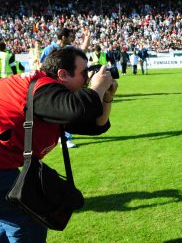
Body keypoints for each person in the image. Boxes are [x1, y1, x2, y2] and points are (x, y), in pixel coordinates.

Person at [0, 47, 117, 242]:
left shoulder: (50, 95)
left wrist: (106, 96)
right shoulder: (42, 90)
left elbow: (96, 125)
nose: (88, 78)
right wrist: (97, 86)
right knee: (29, 219)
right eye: (83, 73)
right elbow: (78, 109)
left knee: (9, 221)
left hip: (5, 164)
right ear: (62, 74)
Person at [39, 27, 91, 148]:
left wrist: (87, 38)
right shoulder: (49, 49)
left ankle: (65, 138)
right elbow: (41, 66)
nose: (72, 38)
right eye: (70, 36)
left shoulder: (69, 49)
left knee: (65, 110)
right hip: (52, 85)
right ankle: (59, 136)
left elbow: (83, 51)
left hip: (67, 84)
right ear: (63, 38)